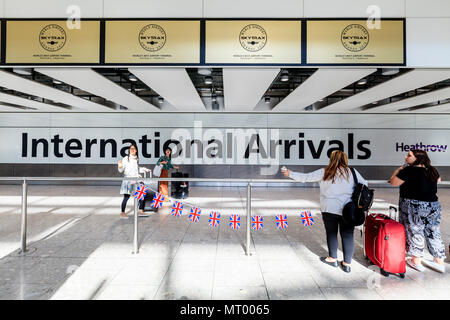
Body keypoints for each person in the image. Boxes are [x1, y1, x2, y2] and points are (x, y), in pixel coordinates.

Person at [282, 150, 368, 273]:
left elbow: (306, 177)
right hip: (348, 209)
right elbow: (365, 184)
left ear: (331, 159)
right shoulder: (352, 172)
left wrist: (289, 173)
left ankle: (332, 259)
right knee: (347, 235)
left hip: (329, 208)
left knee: (331, 233)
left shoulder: (325, 172)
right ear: (345, 159)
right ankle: (347, 263)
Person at [389, 149, 446, 273]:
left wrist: (397, 171)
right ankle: (439, 261)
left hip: (414, 206)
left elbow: (393, 182)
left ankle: (416, 261)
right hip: (433, 206)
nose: (406, 157)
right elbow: (438, 180)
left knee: (414, 231)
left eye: (409, 155)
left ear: (417, 158)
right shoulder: (432, 170)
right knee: (433, 231)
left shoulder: (408, 170)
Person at [118, 143, 150, 219]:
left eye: (134, 149)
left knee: (142, 191)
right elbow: (121, 170)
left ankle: (140, 210)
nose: (132, 150)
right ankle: (122, 212)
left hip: (135, 180)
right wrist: (120, 166)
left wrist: (144, 169)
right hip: (128, 180)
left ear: (136, 150)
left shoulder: (136, 159)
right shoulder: (126, 158)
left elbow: (136, 168)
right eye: (131, 149)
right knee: (126, 197)